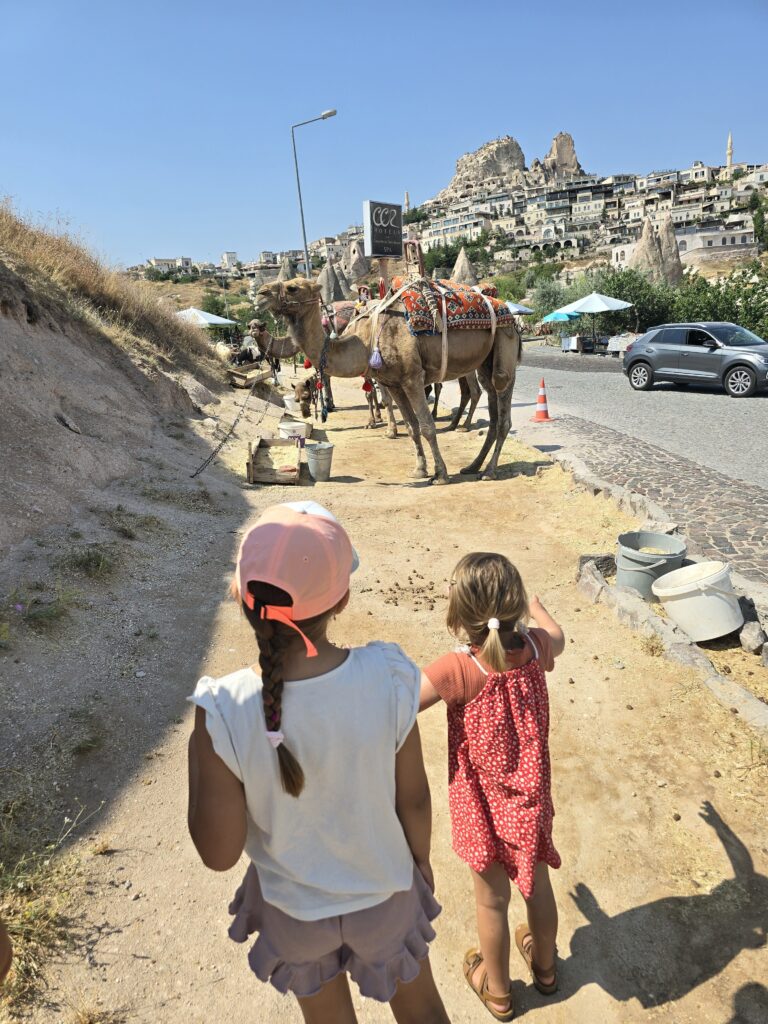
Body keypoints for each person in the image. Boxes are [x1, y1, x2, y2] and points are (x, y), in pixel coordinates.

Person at [187, 501, 450, 1024]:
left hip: (294, 915)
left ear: (242, 596)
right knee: (421, 1011)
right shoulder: (389, 677)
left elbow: (218, 854)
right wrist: (420, 865)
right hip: (385, 894)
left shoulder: (223, 709)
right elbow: (414, 799)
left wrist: (206, 749)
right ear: (343, 599)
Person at [420, 552, 565, 1022]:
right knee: (537, 886)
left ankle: (499, 993)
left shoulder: (458, 670)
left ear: (461, 614)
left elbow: (397, 700)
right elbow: (560, 637)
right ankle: (546, 970)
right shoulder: (538, 647)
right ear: (516, 605)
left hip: (482, 808)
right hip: (531, 804)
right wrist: (539, 611)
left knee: (491, 901)